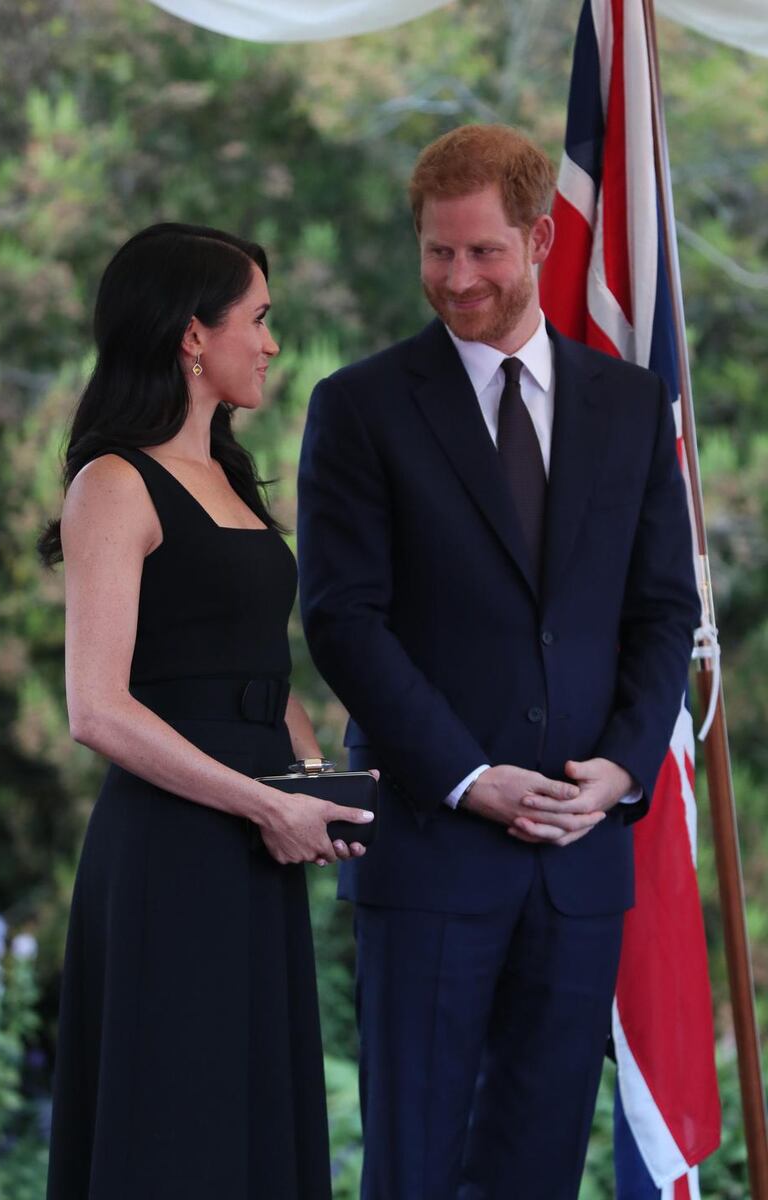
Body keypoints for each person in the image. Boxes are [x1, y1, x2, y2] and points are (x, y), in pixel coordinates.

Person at [297, 125, 700, 1200]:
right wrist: (469, 779)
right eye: (436, 253)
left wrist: (617, 771)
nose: (456, 279)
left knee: (536, 1165)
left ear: (537, 237)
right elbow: (342, 621)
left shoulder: (627, 405)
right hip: (430, 852)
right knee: (414, 1164)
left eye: (480, 252)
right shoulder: (360, 407)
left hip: (579, 857)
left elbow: (663, 611)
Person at [39, 222, 374, 1200]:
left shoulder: (227, 477)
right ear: (193, 335)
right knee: (176, 1121)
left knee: (250, 1117)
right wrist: (267, 805)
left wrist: (320, 789)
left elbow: (258, 676)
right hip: (171, 847)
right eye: (257, 318)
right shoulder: (111, 483)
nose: (270, 342)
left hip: (251, 841)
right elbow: (95, 708)